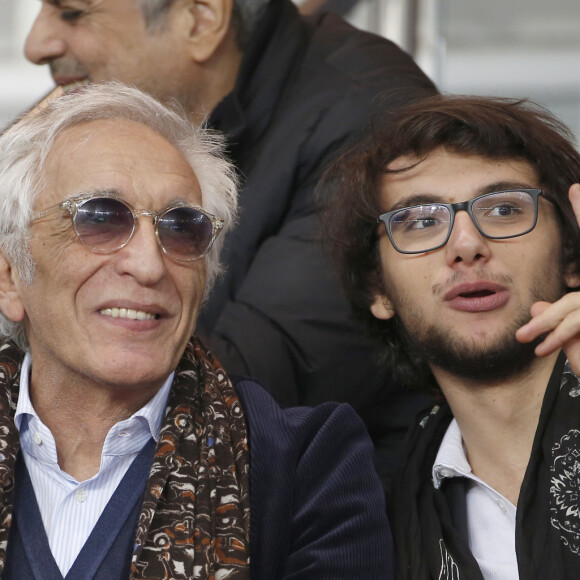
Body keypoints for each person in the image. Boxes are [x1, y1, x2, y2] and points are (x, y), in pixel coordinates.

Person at [22, 0, 438, 485]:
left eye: (73, 13)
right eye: (101, 219)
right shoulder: (178, 117)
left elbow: (245, 390)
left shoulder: (364, 115)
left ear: (201, 19)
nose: (37, 45)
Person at [0, 82, 394, 579]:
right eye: (99, 219)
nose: (148, 265)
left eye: (182, 228)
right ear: (10, 275)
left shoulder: (306, 466)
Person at [322, 93, 580, 579]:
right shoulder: (374, 518)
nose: (466, 245)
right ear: (379, 290)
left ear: (570, 256)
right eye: (420, 221)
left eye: (504, 209)